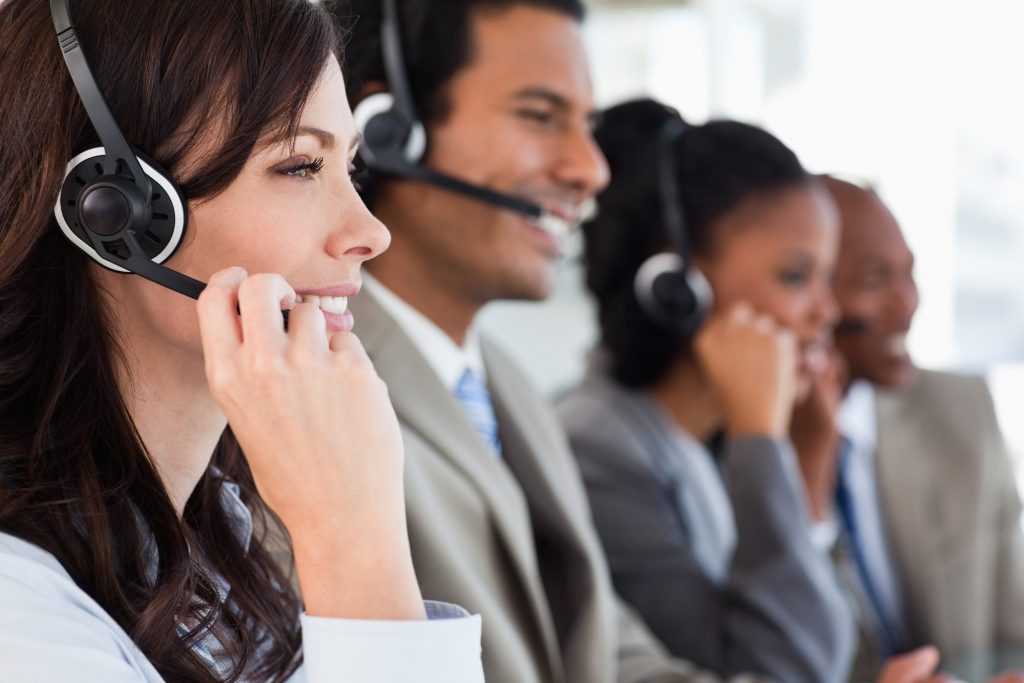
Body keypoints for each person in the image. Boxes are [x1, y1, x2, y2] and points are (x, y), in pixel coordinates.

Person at [338, 2, 947, 682]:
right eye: (540, 116)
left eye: (586, 127)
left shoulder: (507, 392)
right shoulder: (308, 396)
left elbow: (621, 664)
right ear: (389, 128)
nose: (590, 169)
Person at [0, 0, 483, 680]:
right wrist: (353, 541)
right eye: (300, 167)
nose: (371, 232)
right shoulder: (17, 615)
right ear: (117, 212)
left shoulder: (218, 547)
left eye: (352, 168)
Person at [556, 98, 854, 682]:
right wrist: (760, 440)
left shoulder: (699, 440)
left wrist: (805, 472)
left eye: (828, 277)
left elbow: (836, 645)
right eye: (795, 276)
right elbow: (785, 668)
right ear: (679, 286)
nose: (827, 311)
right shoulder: (599, 451)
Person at [822, 176, 1024, 683]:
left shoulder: (960, 410)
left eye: (908, 274)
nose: (907, 303)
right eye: (873, 280)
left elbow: (1015, 615)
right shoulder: (743, 454)